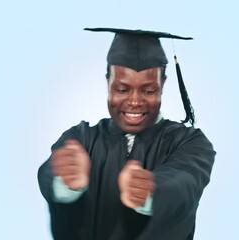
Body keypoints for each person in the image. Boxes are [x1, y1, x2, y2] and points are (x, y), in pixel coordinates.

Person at [37, 27, 216, 240]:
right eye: (122, 89)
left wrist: (152, 191)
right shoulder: (81, 138)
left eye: (149, 90)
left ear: (163, 85)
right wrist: (64, 182)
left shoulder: (190, 142)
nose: (134, 101)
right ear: (108, 82)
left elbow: (185, 182)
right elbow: (48, 173)